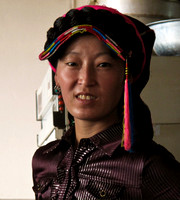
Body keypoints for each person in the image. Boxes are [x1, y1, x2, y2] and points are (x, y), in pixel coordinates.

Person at [32, 5, 180, 200]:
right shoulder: (45, 158)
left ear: (126, 77)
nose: (85, 79)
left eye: (103, 65)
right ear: (57, 76)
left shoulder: (147, 165)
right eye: (72, 64)